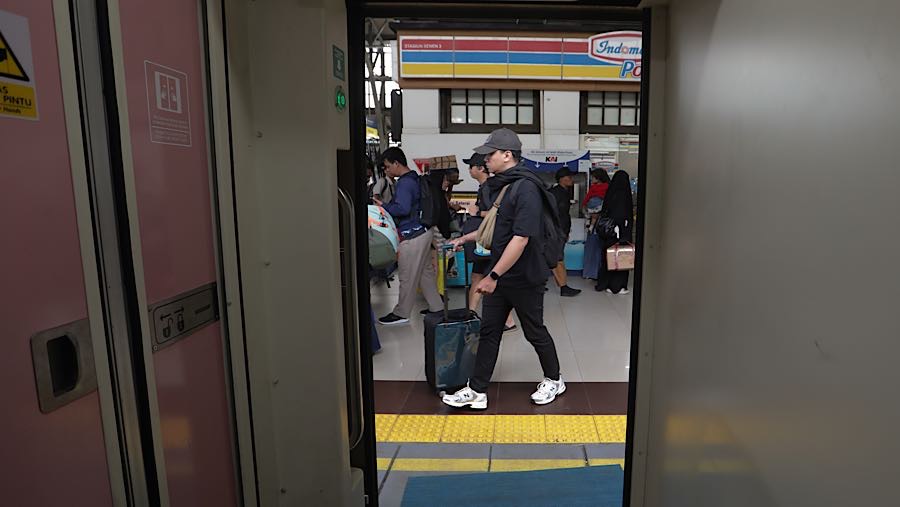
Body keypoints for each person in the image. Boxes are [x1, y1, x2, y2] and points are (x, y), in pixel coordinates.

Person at [442, 128, 565, 410]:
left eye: (490, 154)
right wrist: (465, 237)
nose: (485, 159)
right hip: (501, 273)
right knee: (490, 330)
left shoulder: (527, 188)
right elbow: (497, 226)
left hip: (524, 275)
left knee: (534, 331)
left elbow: (521, 238)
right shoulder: (504, 185)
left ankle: (555, 379)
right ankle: (477, 389)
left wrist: (493, 276)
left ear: (507, 155)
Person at [373, 147, 443, 324]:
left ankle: (402, 313)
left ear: (396, 163)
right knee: (424, 273)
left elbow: (402, 209)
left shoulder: (404, 183)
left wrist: (383, 206)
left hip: (412, 234)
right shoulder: (415, 178)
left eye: (388, 166)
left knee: (407, 274)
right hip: (424, 231)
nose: (387, 170)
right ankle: (437, 307)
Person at [461, 153, 517, 331]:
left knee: (484, 276)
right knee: (479, 275)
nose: (469, 170)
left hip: (487, 240)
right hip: (486, 240)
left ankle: (504, 320)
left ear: (480, 169)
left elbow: (496, 215)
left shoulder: (487, 188)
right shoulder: (485, 187)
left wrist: (476, 213)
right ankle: (471, 314)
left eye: (471, 166)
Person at [594, 170, 634, 295]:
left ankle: (606, 283)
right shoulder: (624, 194)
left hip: (608, 232)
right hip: (620, 231)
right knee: (621, 257)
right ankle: (617, 286)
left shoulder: (611, 193)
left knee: (608, 257)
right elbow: (623, 216)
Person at [548, 167, 582, 297]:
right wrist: (560, 231)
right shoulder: (558, 193)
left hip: (558, 230)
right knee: (557, 258)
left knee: (552, 257)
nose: (571, 179)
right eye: (569, 177)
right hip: (556, 231)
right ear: (562, 179)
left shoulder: (560, 192)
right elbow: (557, 214)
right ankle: (563, 287)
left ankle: (538, 283)